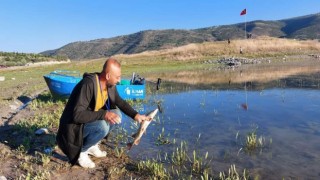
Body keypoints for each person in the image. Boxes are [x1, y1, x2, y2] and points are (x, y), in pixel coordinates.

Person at [56, 58, 150, 168]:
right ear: (108, 76)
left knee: (117, 114)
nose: (119, 80)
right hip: (71, 129)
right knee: (102, 127)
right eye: (117, 77)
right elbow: (77, 115)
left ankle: (92, 144)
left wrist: (136, 115)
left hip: (85, 122)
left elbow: (119, 101)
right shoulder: (88, 84)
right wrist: (104, 114)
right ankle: (81, 152)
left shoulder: (109, 85)